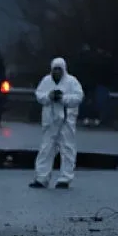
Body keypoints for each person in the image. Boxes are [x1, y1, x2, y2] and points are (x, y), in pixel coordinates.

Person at [30, 57, 84, 189]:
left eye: (59, 69)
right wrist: (49, 96)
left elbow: (78, 97)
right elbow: (39, 95)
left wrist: (63, 98)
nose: (57, 72)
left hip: (66, 122)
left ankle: (65, 178)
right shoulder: (46, 81)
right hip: (50, 121)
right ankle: (41, 178)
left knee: (67, 149)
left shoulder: (72, 81)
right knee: (46, 149)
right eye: (55, 69)